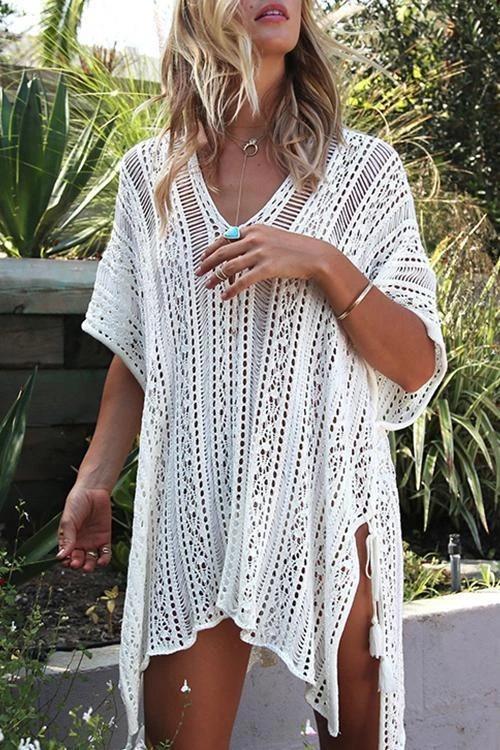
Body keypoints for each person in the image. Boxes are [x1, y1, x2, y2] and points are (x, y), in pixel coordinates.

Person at [55, 1, 448, 749]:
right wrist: (93, 479)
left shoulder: (364, 173)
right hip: (193, 509)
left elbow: (416, 362)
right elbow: (138, 351)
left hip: (330, 503)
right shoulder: (150, 179)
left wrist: (325, 263)